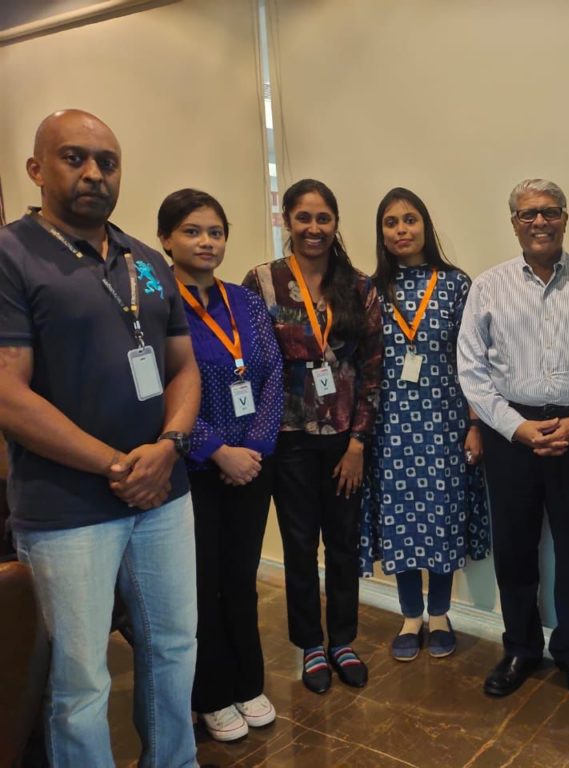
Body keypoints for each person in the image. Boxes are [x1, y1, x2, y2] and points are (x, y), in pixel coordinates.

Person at [0, 110, 201, 767]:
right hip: (68, 508)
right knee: (80, 680)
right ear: (37, 168)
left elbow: (185, 367)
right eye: (74, 157)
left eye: (106, 162)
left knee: (173, 645)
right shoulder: (12, 255)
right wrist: (119, 465)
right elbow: (8, 393)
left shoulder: (146, 259)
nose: (93, 173)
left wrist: (168, 446)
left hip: (163, 494)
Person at [457, 178, 569, 705]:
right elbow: (472, 370)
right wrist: (515, 428)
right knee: (515, 546)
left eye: (550, 212)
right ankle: (521, 647)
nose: (540, 222)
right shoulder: (489, 286)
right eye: (528, 214)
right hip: (510, 435)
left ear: (566, 218)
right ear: (514, 223)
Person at [243, 178, 382, 694]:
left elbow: (374, 371)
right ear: (286, 222)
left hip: (344, 441)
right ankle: (310, 645)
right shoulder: (261, 282)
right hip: (287, 438)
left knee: (343, 545)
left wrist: (357, 445)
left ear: (336, 223)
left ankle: (343, 639)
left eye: (324, 218)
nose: (314, 228)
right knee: (300, 547)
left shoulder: (359, 286)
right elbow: (253, 363)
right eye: (304, 217)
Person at [157, 189, 284, 741]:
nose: (206, 242)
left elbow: (273, 372)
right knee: (201, 584)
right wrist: (217, 451)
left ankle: (247, 681)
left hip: (253, 466)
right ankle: (209, 693)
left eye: (215, 231)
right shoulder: (156, 302)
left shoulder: (245, 300)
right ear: (165, 239)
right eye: (192, 231)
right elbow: (163, 389)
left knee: (240, 579)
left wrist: (254, 446)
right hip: (194, 470)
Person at [360, 187, 489, 660]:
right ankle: (410, 614)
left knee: (441, 516)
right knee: (400, 520)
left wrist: (475, 423)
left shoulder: (456, 285)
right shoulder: (369, 290)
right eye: (391, 223)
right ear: (381, 233)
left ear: (425, 226)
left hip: (445, 422)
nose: (401, 230)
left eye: (409, 220)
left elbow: (473, 362)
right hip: (390, 427)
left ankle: (439, 613)